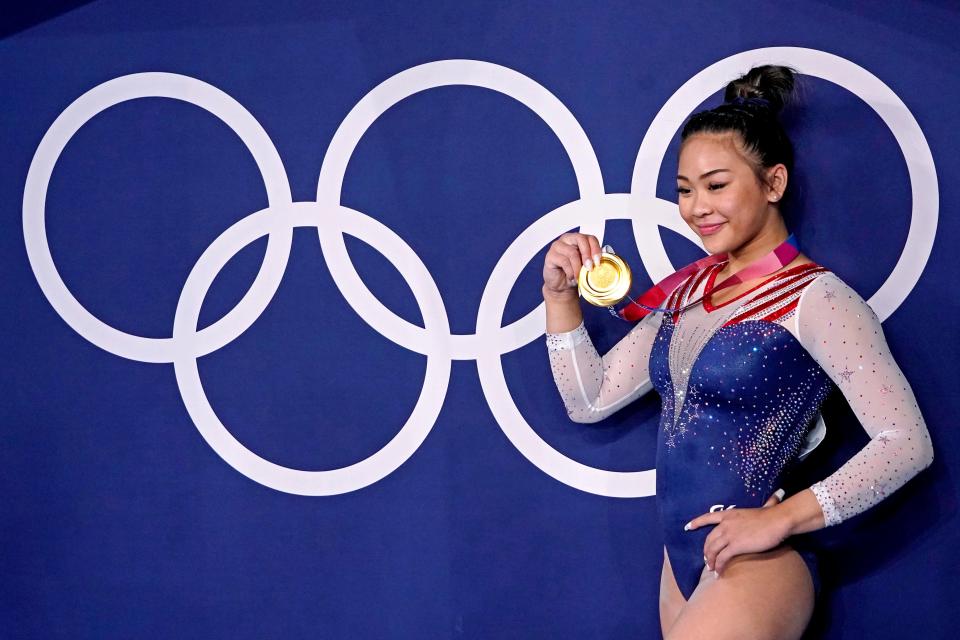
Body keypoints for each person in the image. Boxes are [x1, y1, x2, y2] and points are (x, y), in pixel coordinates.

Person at [541, 65, 934, 639]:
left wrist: (779, 520)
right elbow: (590, 398)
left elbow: (907, 443)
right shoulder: (689, 293)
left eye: (717, 185)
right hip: (680, 562)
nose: (697, 206)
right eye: (683, 189)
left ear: (773, 184)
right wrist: (559, 298)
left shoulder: (817, 299)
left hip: (756, 565)